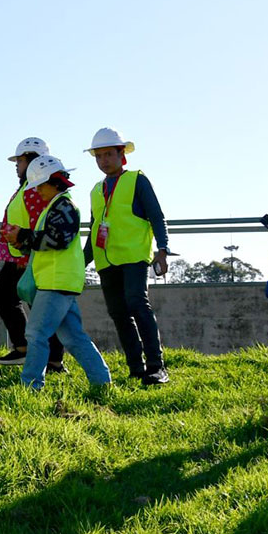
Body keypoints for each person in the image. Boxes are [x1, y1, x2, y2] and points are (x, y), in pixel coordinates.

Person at [10, 154, 112, 391]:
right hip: (61, 282)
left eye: (40, 186)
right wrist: (23, 239)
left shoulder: (63, 206)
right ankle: (102, 382)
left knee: (35, 334)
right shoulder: (60, 205)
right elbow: (51, 240)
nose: (36, 192)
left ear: (53, 182)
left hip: (55, 283)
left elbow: (57, 240)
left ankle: (31, 387)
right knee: (73, 338)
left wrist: (23, 236)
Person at [83, 127, 171, 385]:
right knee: (118, 313)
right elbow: (94, 230)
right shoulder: (96, 190)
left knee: (137, 304)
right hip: (106, 262)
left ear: (122, 155)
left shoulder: (137, 180)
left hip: (134, 257)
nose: (103, 161)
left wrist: (162, 250)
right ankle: (136, 368)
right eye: (98, 156)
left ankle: (157, 366)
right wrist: (80, 262)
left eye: (108, 154)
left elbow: (157, 216)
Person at [0, 138, 65, 374]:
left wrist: (26, 252)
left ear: (34, 160)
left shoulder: (33, 189)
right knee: (32, 305)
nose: (16, 165)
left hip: (25, 258)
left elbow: (36, 221)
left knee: (9, 297)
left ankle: (33, 352)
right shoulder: (27, 187)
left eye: (20, 160)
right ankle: (46, 357)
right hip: (21, 254)